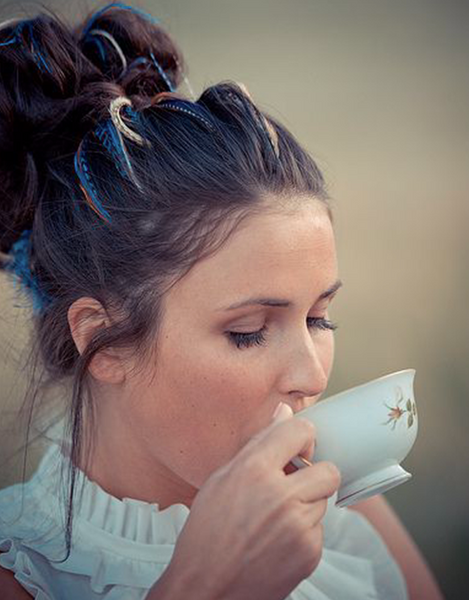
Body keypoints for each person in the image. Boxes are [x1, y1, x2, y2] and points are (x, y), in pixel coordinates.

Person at [0, 3, 445, 599]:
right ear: (103, 342)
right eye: (249, 332)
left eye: (319, 317)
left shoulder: (338, 507)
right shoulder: (25, 576)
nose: (311, 376)